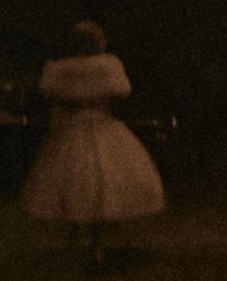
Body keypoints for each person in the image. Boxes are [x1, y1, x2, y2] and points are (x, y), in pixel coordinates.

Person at [17, 21, 165, 244]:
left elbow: (50, 91)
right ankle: (95, 235)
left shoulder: (62, 68)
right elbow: (122, 90)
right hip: (102, 122)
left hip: (75, 123)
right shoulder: (107, 65)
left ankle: (79, 232)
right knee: (101, 174)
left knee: (75, 174)